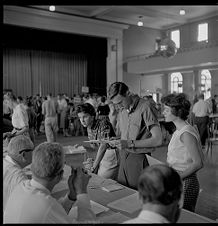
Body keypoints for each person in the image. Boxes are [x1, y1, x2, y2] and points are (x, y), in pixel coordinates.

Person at [4, 142, 96, 223]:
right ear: (60, 175)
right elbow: (49, 210)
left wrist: (71, 196)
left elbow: (54, 213)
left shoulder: (21, 187)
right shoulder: (46, 204)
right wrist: (82, 192)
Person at [107, 82, 162, 189]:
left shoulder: (145, 107)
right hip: (124, 156)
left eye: (120, 102)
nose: (118, 106)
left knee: (138, 196)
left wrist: (129, 143)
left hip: (139, 159)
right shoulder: (122, 110)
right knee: (124, 191)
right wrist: (118, 139)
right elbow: (126, 135)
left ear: (128, 93)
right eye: (115, 104)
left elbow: (157, 139)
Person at [161, 93, 204, 212]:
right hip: (178, 178)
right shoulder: (179, 130)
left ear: (177, 111)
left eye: (166, 110)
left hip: (186, 181)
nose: (163, 113)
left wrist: (176, 178)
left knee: (183, 216)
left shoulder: (186, 133)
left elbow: (198, 163)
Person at [76, 103, 119, 179]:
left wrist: (94, 166)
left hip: (111, 154)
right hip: (102, 155)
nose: (82, 120)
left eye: (85, 117)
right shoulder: (89, 127)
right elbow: (95, 147)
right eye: (80, 117)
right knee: (89, 172)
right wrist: (82, 149)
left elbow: (103, 146)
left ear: (92, 116)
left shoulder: (103, 123)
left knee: (101, 178)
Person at [3, 135, 34, 211]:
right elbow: (29, 207)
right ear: (23, 154)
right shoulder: (19, 177)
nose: (34, 154)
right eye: (32, 150)